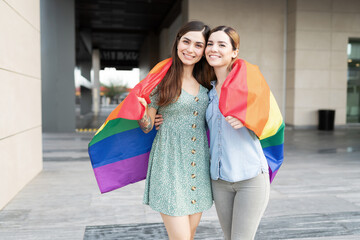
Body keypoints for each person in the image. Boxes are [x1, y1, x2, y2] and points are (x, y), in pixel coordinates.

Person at [137, 21, 213, 240]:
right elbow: (148, 126)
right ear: (177, 41)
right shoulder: (162, 79)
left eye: (198, 45)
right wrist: (141, 113)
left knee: (189, 235)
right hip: (169, 164)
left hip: (198, 166)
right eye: (186, 41)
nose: (190, 49)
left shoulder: (208, 82)